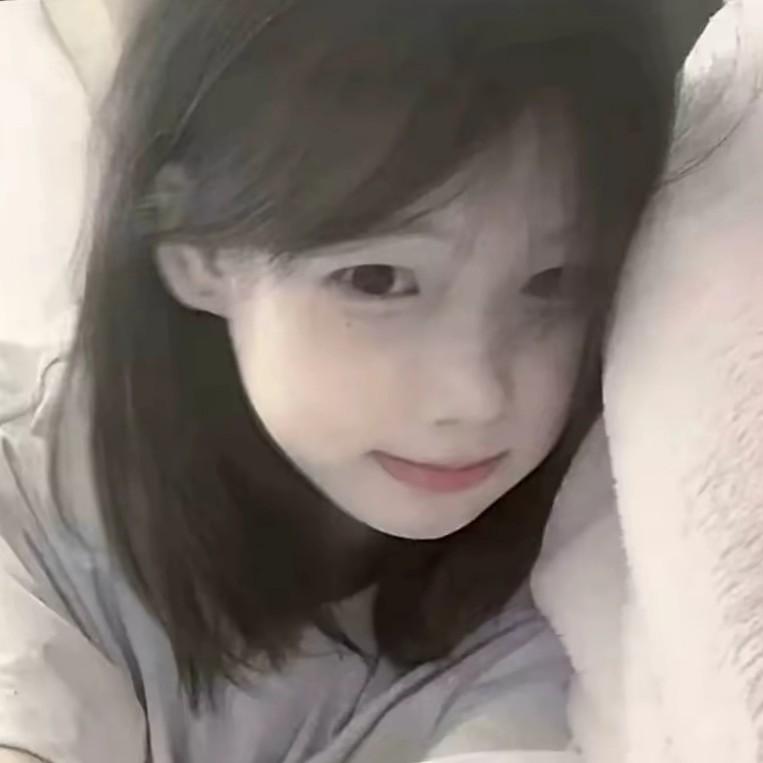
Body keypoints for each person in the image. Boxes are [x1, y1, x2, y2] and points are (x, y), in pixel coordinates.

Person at [0, 0, 677, 761]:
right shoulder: (29, 515)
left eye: (552, 283)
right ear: (200, 256)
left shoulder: (588, 588)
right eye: (378, 280)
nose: (476, 395)